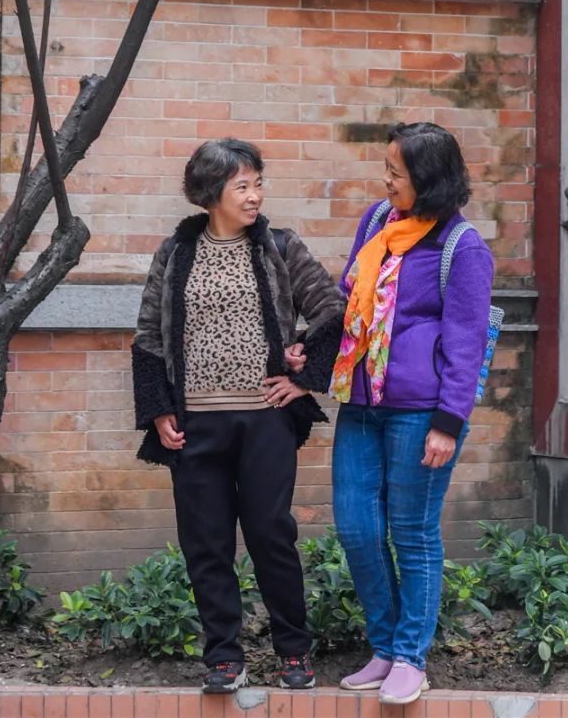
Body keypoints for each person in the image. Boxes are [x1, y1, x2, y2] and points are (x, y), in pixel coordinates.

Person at [131, 137, 344, 696]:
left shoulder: (279, 246)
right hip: (195, 425)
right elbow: (149, 335)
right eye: (242, 186)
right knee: (206, 543)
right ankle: (224, 657)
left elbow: (332, 310)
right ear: (211, 193)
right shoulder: (175, 253)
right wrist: (158, 411)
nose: (255, 195)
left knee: (272, 535)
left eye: (258, 183)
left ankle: (294, 651)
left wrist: (303, 378)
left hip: (265, 421)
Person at [325, 121, 494, 706]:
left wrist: (449, 424)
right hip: (360, 402)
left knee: (413, 533)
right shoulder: (378, 223)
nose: (386, 181)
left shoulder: (462, 247)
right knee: (357, 529)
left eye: (396, 173)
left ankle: (409, 657)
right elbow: (349, 299)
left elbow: (467, 342)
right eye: (387, 169)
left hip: (421, 414)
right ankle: (384, 645)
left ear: (429, 179)